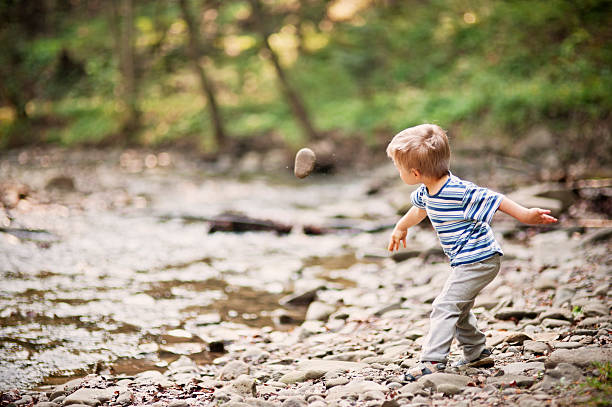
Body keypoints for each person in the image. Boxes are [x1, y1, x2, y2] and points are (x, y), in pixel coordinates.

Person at [386, 124, 557, 381]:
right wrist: (401, 227)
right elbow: (419, 210)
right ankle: (476, 352)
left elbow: (495, 198)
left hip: (479, 260)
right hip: (467, 260)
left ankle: (432, 361)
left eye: (399, 169)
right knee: (460, 309)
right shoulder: (426, 191)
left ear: (415, 171)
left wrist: (525, 215)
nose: (398, 173)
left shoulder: (458, 191)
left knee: (445, 306)